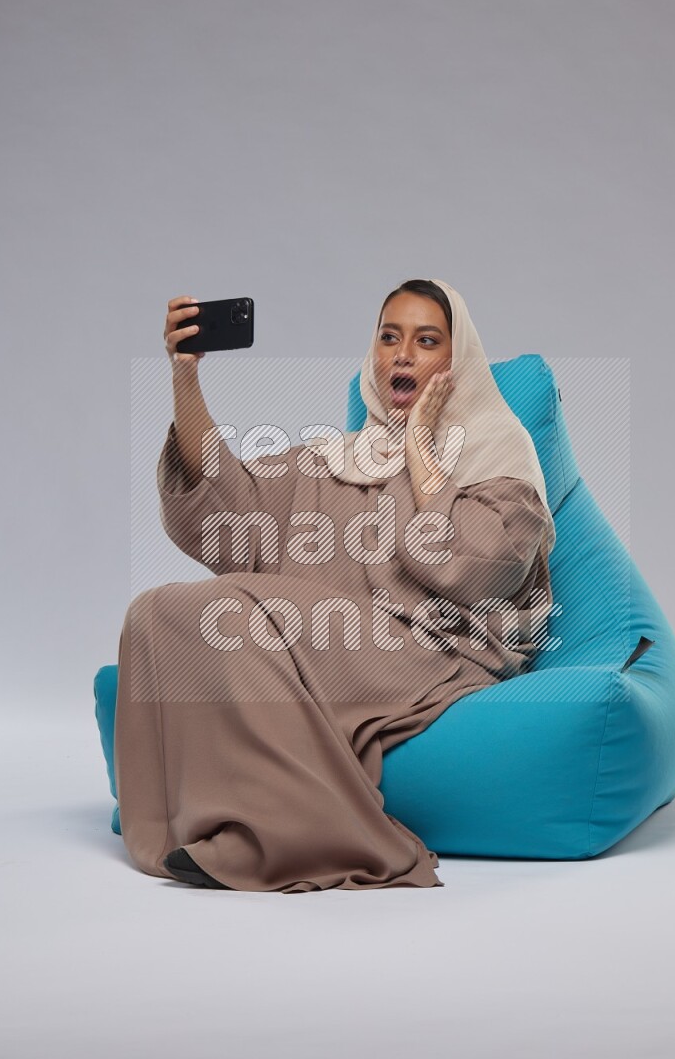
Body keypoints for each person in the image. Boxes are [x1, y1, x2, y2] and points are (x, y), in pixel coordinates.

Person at [113, 278, 556, 892]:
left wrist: (424, 457)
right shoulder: (341, 458)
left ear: (457, 362)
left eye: (427, 341)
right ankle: (197, 822)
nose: (402, 355)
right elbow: (230, 505)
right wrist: (185, 377)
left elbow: (478, 567)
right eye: (389, 338)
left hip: (436, 651)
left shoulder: (496, 451)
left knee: (237, 614)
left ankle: (301, 837)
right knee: (157, 611)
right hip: (341, 639)